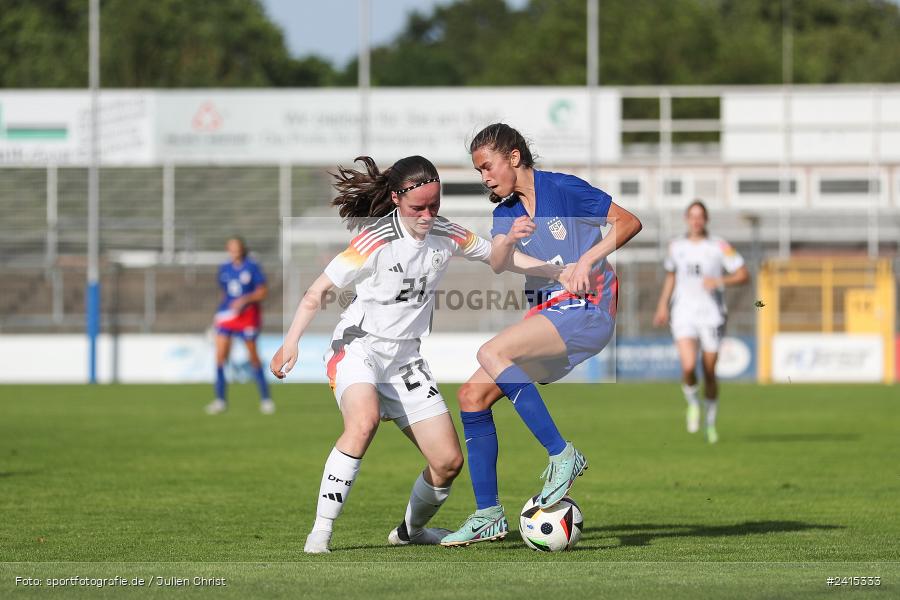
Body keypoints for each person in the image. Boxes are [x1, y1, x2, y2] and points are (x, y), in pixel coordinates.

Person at [269, 155, 560, 554]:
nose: (427, 215)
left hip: (406, 361)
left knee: (447, 463)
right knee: (364, 421)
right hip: (359, 348)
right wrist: (291, 342)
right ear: (395, 200)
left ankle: (410, 530)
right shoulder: (374, 241)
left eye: (434, 205)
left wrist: (557, 272)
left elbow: (503, 258)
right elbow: (317, 291)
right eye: (417, 208)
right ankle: (320, 531)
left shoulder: (448, 233)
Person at [441, 123, 643, 547]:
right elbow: (499, 262)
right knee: (471, 397)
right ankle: (488, 515)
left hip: (588, 307)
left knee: (491, 351)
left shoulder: (564, 189)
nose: (485, 178)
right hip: (550, 313)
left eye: (488, 167)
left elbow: (627, 222)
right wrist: (507, 241)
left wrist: (587, 260)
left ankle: (562, 455)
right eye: (479, 171)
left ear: (514, 157)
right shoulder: (506, 211)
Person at [652, 200, 749, 444]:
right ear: (687, 219)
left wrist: (719, 282)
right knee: (687, 367)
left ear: (706, 220)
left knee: (709, 372)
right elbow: (671, 276)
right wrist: (663, 304)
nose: (696, 221)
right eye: (692, 216)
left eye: (700, 216)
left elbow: (743, 273)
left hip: (711, 315)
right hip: (684, 313)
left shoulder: (719, 246)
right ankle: (693, 404)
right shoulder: (676, 246)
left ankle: (710, 423)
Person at [206, 236, 274, 415]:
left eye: (236, 247)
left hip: (248, 317)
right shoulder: (224, 269)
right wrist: (219, 315)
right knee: (220, 357)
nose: (234, 250)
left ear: (242, 248)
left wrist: (246, 299)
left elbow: (263, 291)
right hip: (228, 316)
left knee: (253, 357)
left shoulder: (252, 267)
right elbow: (225, 294)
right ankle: (220, 400)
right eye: (231, 247)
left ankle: (266, 399)